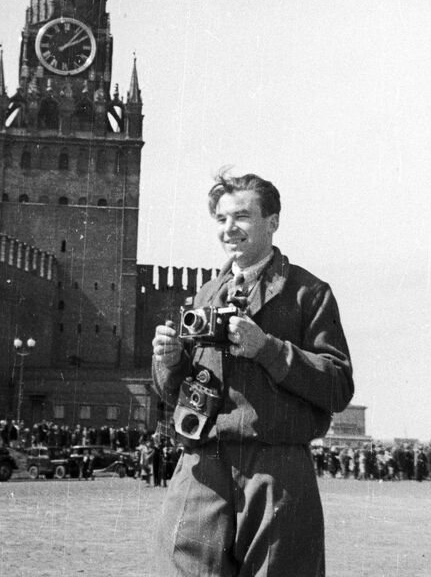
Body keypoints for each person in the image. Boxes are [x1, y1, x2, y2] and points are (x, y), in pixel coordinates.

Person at [152, 172, 354, 577]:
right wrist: (169, 362)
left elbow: (338, 387)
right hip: (201, 467)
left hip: (275, 470)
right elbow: (176, 391)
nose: (229, 229)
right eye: (222, 219)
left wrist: (268, 349)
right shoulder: (204, 295)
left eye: (241, 216)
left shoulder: (307, 293)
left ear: (272, 221)